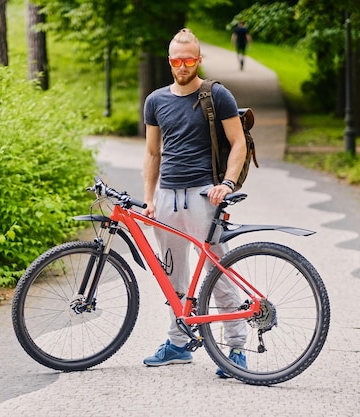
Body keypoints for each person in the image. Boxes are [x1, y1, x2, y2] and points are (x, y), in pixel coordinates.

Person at [141, 28, 248, 377]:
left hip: (204, 195)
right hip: (167, 197)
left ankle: (235, 348)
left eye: (188, 59)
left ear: (198, 59)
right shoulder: (156, 100)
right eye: (176, 60)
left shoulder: (217, 96)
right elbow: (152, 152)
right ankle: (177, 343)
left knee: (218, 270)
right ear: (169, 61)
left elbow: (238, 143)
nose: (182, 66)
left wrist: (227, 184)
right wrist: (148, 199)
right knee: (173, 272)